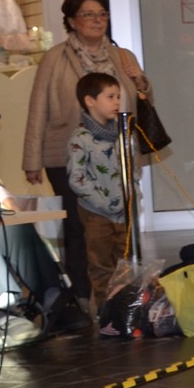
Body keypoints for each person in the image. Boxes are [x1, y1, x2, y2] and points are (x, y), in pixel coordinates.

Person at [21, 0, 152, 303]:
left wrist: (140, 81)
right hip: (69, 156)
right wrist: (32, 159)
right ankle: (82, 297)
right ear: (71, 21)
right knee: (81, 231)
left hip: (117, 156)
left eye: (102, 14)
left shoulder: (123, 57)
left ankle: (121, 297)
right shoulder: (55, 58)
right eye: (88, 14)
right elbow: (38, 108)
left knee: (120, 231)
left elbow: (143, 102)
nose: (97, 20)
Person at [65, 72, 135, 304]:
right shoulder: (81, 138)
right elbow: (77, 178)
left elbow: (130, 167)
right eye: (110, 97)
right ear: (90, 101)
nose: (117, 102)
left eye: (118, 97)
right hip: (96, 213)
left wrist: (132, 192)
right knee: (101, 264)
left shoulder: (121, 134)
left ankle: (126, 305)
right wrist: (103, 203)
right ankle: (106, 309)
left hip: (122, 212)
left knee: (125, 262)